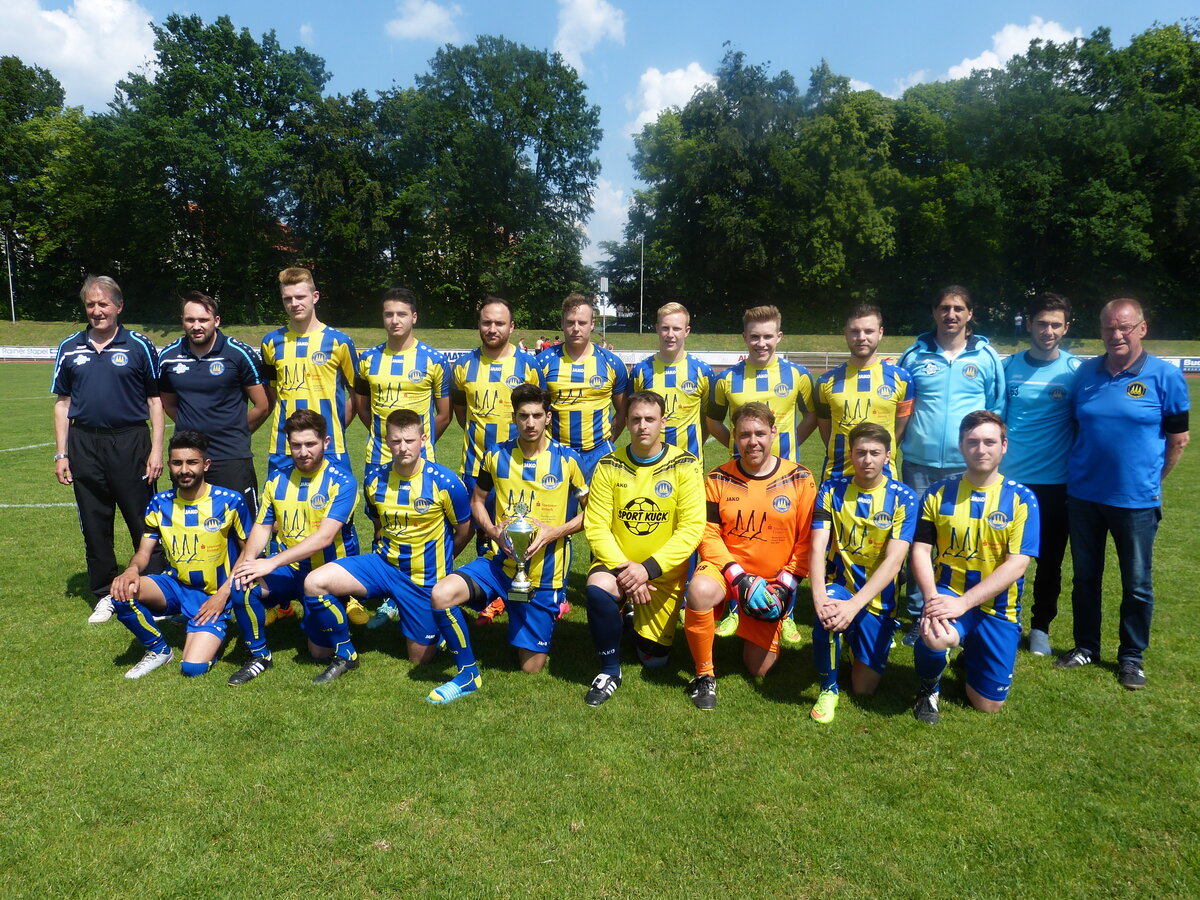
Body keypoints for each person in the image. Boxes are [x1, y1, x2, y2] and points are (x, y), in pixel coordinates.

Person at [1055, 298, 1190, 690]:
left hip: (1136, 502)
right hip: (1084, 495)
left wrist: (1151, 481)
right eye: (1109, 327)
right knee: (1085, 578)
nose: (1116, 334)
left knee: (1137, 584)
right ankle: (1086, 646)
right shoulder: (1086, 373)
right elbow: (1076, 427)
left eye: (1124, 327)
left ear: (1142, 329)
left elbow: (1178, 439)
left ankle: (1131, 657)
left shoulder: (1165, 376)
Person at [430, 385, 588, 699]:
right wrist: (492, 531)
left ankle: (544, 608)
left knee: (530, 668)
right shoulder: (495, 455)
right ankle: (467, 672)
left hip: (545, 574)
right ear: (514, 418)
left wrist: (553, 532)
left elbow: (592, 512)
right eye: (523, 416)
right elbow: (477, 501)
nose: (530, 423)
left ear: (548, 417)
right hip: (498, 566)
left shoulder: (568, 460)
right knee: (441, 594)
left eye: (537, 415)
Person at [303, 410, 474, 684]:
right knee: (315, 582)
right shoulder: (374, 479)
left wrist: (443, 561)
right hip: (383, 566)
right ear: (387, 442)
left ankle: (440, 621)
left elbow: (464, 530)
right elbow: (378, 525)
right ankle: (346, 653)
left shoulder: (445, 481)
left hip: (423, 577)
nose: (403, 447)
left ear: (423, 440)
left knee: (420, 659)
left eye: (410, 440)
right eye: (396, 441)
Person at [682, 403, 815, 710]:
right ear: (735, 437)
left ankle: (760, 622)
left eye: (759, 434)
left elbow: (807, 541)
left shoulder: (799, 478)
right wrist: (738, 577)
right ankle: (704, 674)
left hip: (770, 583)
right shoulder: (718, 478)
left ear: (773, 433)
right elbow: (708, 534)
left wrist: (786, 587)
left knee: (759, 669)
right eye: (744, 435)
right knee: (699, 590)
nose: (752, 441)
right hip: (726, 573)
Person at [910, 411, 1039, 723]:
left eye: (989, 442)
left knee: (987, 705)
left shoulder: (1022, 499)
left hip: (998, 605)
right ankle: (929, 688)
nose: (981, 449)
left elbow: (1017, 565)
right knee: (934, 634)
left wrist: (965, 603)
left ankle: (971, 651)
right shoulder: (938, 492)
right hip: (948, 591)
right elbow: (921, 550)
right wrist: (931, 599)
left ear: (1004, 445)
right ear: (961, 446)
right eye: (973, 442)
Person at [52, 275, 165, 625]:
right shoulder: (70, 347)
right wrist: (61, 453)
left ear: (119, 306)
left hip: (130, 441)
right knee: (94, 521)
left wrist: (156, 450)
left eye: (104, 304)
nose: (97, 311)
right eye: (91, 304)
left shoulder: (139, 345)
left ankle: (155, 591)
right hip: (84, 443)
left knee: (143, 519)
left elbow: (155, 401)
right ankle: (105, 593)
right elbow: (63, 403)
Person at [897, 286, 1005, 646]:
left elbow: (997, 410)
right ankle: (920, 613)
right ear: (934, 312)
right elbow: (901, 405)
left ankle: (970, 610)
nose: (951, 315)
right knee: (920, 540)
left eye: (958, 308)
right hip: (919, 464)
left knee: (966, 538)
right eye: (944, 308)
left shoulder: (986, 357)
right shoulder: (914, 355)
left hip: (967, 467)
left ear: (970, 313)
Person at [582, 391, 704, 706]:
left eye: (650, 419)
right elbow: (596, 526)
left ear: (663, 422)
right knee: (597, 588)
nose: (642, 426)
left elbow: (691, 528)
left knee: (654, 660)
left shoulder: (685, 464)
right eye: (635, 419)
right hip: (619, 568)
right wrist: (628, 572)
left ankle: (630, 616)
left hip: (661, 576)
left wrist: (646, 570)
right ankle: (609, 670)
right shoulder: (609, 464)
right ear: (626, 422)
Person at [222, 409, 360, 685]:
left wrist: (271, 562)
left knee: (318, 653)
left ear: (326, 442)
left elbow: (324, 538)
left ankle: (339, 619)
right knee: (242, 584)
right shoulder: (277, 479)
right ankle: (259, 655)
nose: (303, 452)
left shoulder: (342, 481)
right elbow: (262, 528)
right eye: (296, 445)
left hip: (327, 572)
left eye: (310, 444)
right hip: (290, 569)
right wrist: (248, 564)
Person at [708, 304, 817, 646]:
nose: (761, 343)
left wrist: (790, 444)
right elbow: (712, 420)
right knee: (739, 537)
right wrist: (737, 446)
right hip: (740, 477)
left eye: (768, 336)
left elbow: (813, 416)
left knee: (786, 544)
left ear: (779, 337)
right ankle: (734, 607)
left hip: (786, 478)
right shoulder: (726, 379)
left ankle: (787, 611)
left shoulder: (798, 375)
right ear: (744, 337)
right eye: (754, 337)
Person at [108, 431, 250, 679]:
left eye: (192, 462)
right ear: (170, 465)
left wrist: (223, 595)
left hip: (214, 593)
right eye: (177, 463)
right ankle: (159, 650)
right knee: (123, 590)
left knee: (192, 668)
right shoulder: (159, 503)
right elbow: (144, 552)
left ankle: (209, 627)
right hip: (174, 585)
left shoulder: (230, 501)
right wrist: (131, 570)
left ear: (206, 464)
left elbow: (250, 551)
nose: (184, 470)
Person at [441, 296, 545, 627]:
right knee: (481, 531)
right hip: (475, 467)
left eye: (500, 323)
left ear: (511, 327)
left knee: (517, 532)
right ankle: (486, 594)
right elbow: (461, 413)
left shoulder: (529, 366)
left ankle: (523, 596)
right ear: (479, 325)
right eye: (486, 322)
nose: (492, 328)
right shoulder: (463, 367)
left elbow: (538, 415)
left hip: (517, 471)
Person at [808, 423, 917, 724]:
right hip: (840, 586)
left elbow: (894, 562)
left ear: (888, 456)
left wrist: (855, 606)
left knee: (864, 688)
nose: (867, 459)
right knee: (828, 610)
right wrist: (818, 596)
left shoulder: (904, 498)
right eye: (861, 453)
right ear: (851, 455)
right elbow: (817, 547)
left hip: (878, 598)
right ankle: (828, 688)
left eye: (875, 453)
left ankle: (856, 635)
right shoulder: (831, 490)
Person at [1001, 293, 1080, 657]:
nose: (1048, 331)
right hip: (1011, 482)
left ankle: (1040, 628)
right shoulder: (1008, 366)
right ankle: (1004, 620)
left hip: (1055, 484)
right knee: (1003, 558)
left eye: (1055, 325)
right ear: (1029, 325)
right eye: (1042, 323)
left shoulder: (1075, 371)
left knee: (1050, 562)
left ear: (1066, 328)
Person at [158, 291, 269, 516]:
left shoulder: (238, 353)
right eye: (190, 320)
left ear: (216, 321)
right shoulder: (169, 356)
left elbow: (262, 405)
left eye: (203, 320)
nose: (196, 326)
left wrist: (236, 431)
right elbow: (168, 404)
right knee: (190, 524)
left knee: (243, 526)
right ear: (182, 321)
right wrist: (191, 430)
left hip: (231, 456)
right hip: (188, 459)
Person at [259, 267, 358, 477]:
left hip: (330, 446)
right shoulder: (270, 342)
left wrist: (336, 426)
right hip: (284, 446)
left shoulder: (339, 341)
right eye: (288, 299)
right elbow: (272, 392)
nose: (294, 303)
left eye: (300, 297)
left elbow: (356, 395)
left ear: (315, 297)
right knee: (281, 498)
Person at [814, 303, 913, 483]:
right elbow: (825, 429)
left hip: (884, 477)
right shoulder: (825, 381)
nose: (861, 337)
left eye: (868, 331)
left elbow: (900, 428)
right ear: (846, 333)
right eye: (854, 331)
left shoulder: (902, 378)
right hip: (837, 477)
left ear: (880, 333)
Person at [355, 285, 450, 471]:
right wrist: (384, 436)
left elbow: (444, 416)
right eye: (389, 314)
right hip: (378, 456)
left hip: (422, 457)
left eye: (401, 314)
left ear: (414, 317)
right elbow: (363, 409)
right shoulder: (367, 359)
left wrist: (419, 442)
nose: (394, 320)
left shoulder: (435, 360)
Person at [536, 293, 629, 481]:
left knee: (599, 502)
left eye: (582, 323)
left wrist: (608, 442)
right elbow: (533, 410)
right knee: (557, 502)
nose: (576, 328)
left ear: (592, 324)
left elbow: (623, 411)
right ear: (562, 323)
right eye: (570, 322)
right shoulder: (543, 362)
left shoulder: (611, 363)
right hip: (557, 453)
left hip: (599, 454)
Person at [627, 302, 714, 457]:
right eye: (665, 328)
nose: (670, 334)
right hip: (649, 461)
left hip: (690, 460)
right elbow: (632, 416)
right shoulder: (640, 371)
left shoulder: (703, 371)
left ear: (687, 331)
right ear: (657, 328)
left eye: (676, 329)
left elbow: (709, 420)